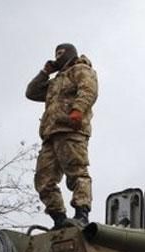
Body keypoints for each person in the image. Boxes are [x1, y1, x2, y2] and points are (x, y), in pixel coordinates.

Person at [26, 43, 98, 229]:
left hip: (71, 129)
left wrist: (78, 110)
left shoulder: (80, 69)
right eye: (56, 54)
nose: (58, 57)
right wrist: (45, 72)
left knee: (77, 172)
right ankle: (59, 219)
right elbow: (32, 92)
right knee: (44, 179)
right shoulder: (55, 82)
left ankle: (82, 214)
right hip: (50, 134)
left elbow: (88, 90)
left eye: (61, 54)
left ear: (70, 54)